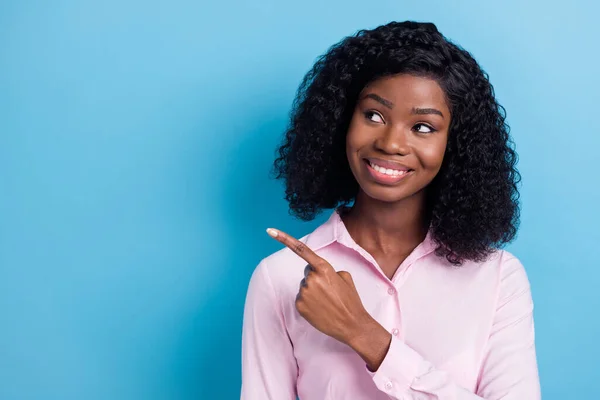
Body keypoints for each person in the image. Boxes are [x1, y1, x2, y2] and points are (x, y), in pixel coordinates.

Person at [240, 20, 541, 399]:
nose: (391, 143)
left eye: (423, 127)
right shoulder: (280, 278)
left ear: (455, 145)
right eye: (374, 116)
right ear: (341, 121)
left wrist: (364, 334)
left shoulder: (497, 278)